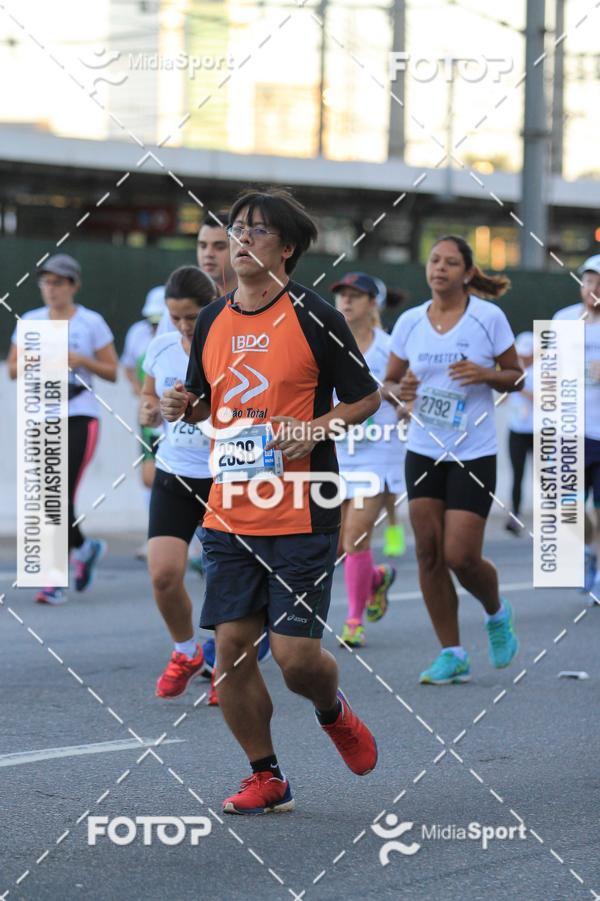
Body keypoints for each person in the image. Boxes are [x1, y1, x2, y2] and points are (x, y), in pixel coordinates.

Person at [161, 188, 380, 815]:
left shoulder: (314, 315)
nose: (242, 239)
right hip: (230, 508)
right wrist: (185, 407)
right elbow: (209, 406)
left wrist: (315, 428)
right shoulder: (210, 320)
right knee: (228, 651)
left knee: (294, 658)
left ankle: (331, 711)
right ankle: (267, 775)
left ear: (285, 248)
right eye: (236, 228)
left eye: (257, 230)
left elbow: (365, 397)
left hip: (303, 505)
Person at [384, 235, 522, 685]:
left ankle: (496, 613)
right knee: (427, 554)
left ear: (466, 273)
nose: (438, 268)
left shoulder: (487, 318)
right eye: (433, 260)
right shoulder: (409, 322)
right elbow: (389, 382)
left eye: (449, 262)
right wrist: (400, 391)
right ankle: (452, 652)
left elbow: (515, 379)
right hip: (423, 449)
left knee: (461, 555)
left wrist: (485, 374)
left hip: (472, 451)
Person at [8, 254, 118, 604]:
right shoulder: (30, 321)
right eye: (46, 282)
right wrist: (32, 358)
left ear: (73, 285)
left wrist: (82, 361)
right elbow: (12, 369)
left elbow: (112, 371)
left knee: (57, 494)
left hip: (79, 414)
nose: (50, 289)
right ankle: (84, 548)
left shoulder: (91, 322)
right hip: (42, 414)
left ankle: (53, 580)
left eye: (58, 282)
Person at [140, 267, 218, 699]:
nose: (185, 327)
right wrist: (150, 411)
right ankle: (186, 651)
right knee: (164, 576)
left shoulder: (229, 344)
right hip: (175, 470)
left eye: (192, 316)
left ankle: (228, 665)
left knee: (225, 578)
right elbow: (148, 397)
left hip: (223, 474)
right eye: (177, 318)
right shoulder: (162, 345)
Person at [330, 272, 402, 648]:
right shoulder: (330, 345)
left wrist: (398, 397)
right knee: (341, 544)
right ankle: (375, 578)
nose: (346, 301)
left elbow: (411, 399)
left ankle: (354, 620)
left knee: (356, 536)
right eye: (342, 294)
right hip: (339, 453)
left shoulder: (392, 348)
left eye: (355, 296)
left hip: (378, 453)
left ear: (373, 303)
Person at [553, 254, 600, 595]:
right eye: (588, 280)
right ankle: (587, 550)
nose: (593, 288)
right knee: (566, 506)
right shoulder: (563, 319)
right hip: (570, 429)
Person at [121, 285, 167, 560]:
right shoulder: (138, 334)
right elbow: (128, 365)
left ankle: (195, 539)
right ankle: (157, 536)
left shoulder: (181, 333)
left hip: (181, 416)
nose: (155, 326)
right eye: (152, 320)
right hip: (151, 415)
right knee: (149, 477)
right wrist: (142, 391)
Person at [155, 211, 236, 337]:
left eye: (219, 246)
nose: (208, 253)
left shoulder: (255, 303)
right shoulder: (176, 311)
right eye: (203, 246)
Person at [505, 331, 534, 536]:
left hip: (540, 431)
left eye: (527, 354)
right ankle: (514, 516)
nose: (523, 357)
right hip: (517, 430)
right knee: (517, 475)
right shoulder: (514, 371)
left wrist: (519, 387)